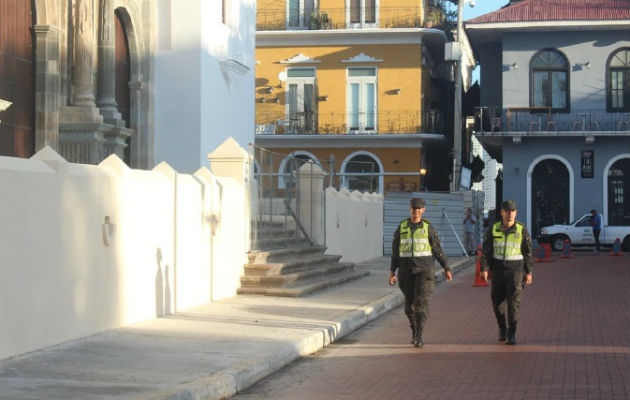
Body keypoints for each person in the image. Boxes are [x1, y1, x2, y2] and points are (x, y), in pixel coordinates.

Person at [389, 198, 452, 347]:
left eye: (419, 209)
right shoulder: (402, 227)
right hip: (406, 271)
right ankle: (414, 329)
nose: (416, 212)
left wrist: (446, 267)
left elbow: (437, 250)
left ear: (423, 210)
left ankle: (419, 336)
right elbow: (395, 252)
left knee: (420, 302)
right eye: (413, 209)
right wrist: (392, 271)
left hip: (425, 271)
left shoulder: (428, 227)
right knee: (408, 306)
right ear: (410, 209)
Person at [479, 200, 533, 345]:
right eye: (507, 211)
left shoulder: (521, 230)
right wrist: (483, 269)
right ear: (502, 212)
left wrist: (529, 272)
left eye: (512, 211)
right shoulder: (494, 229)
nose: (510, 214)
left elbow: (527, 252)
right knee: (497, 302)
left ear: (516, 213)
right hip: (497, 270)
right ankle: (502, 328)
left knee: (513, 302)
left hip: (515, 270)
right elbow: (486, 251)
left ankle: (512, 333)